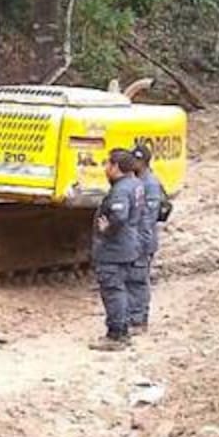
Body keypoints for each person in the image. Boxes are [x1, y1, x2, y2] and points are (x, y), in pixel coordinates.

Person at [91, 148, 142, 351]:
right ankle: (123, 329)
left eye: (108, 164)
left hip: (115, 248)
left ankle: (116, 334)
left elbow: (119, 216)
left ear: (116, 167)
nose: (105, 168)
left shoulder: (121, 190)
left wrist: (107, 229)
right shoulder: (136, 184)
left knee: (113, 290)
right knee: (121, 289)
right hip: (128, 245)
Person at [127, 145, 165, 332]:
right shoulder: (137, 181)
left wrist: (139, 243)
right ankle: (133, 316)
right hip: (135, 238)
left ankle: (139, 320)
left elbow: (148, 218)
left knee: (138, 280)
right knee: (131, 278)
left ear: (142, 162)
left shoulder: (150, 184)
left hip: (143, 240)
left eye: (134, 160)